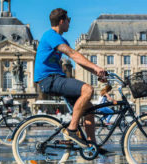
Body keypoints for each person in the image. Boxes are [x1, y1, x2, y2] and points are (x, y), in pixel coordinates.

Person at [34, 8, 107, 153]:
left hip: (56, 78)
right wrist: (96, 67)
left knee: (89, 108)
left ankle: (92, 145)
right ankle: (72, 129)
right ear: (62, 21)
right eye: (69, 20)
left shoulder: (60, 38)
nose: (69, 23)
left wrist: (97, 72)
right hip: (49, 79)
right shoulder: (51, 35)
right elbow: (73, 54)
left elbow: (78, 61)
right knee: (88, 89)